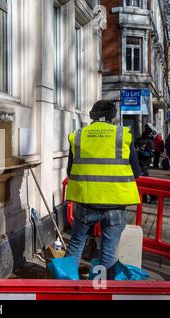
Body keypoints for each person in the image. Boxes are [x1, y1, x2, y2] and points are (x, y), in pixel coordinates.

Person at [65, 100, 141, 280]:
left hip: (85, 201)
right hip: (114, 204)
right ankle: (103, 291)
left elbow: (70, 171)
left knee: (76, 243)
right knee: (108, 249)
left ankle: (65, 288)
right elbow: (136, 172)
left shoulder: (78, 136)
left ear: (92, 117)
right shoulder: (123, 135)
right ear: (113, 117)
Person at [135, 123, 157, 204]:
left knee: (146, 181)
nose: (146, 131)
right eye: (146, 129)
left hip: (144, 163)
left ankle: (154, 197)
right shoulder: (138, 140)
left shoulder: (150, 142)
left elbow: (150, 154)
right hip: (137, 162)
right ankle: (143, 197)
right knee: (140, 181)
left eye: (148, 130)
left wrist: (139, 152)